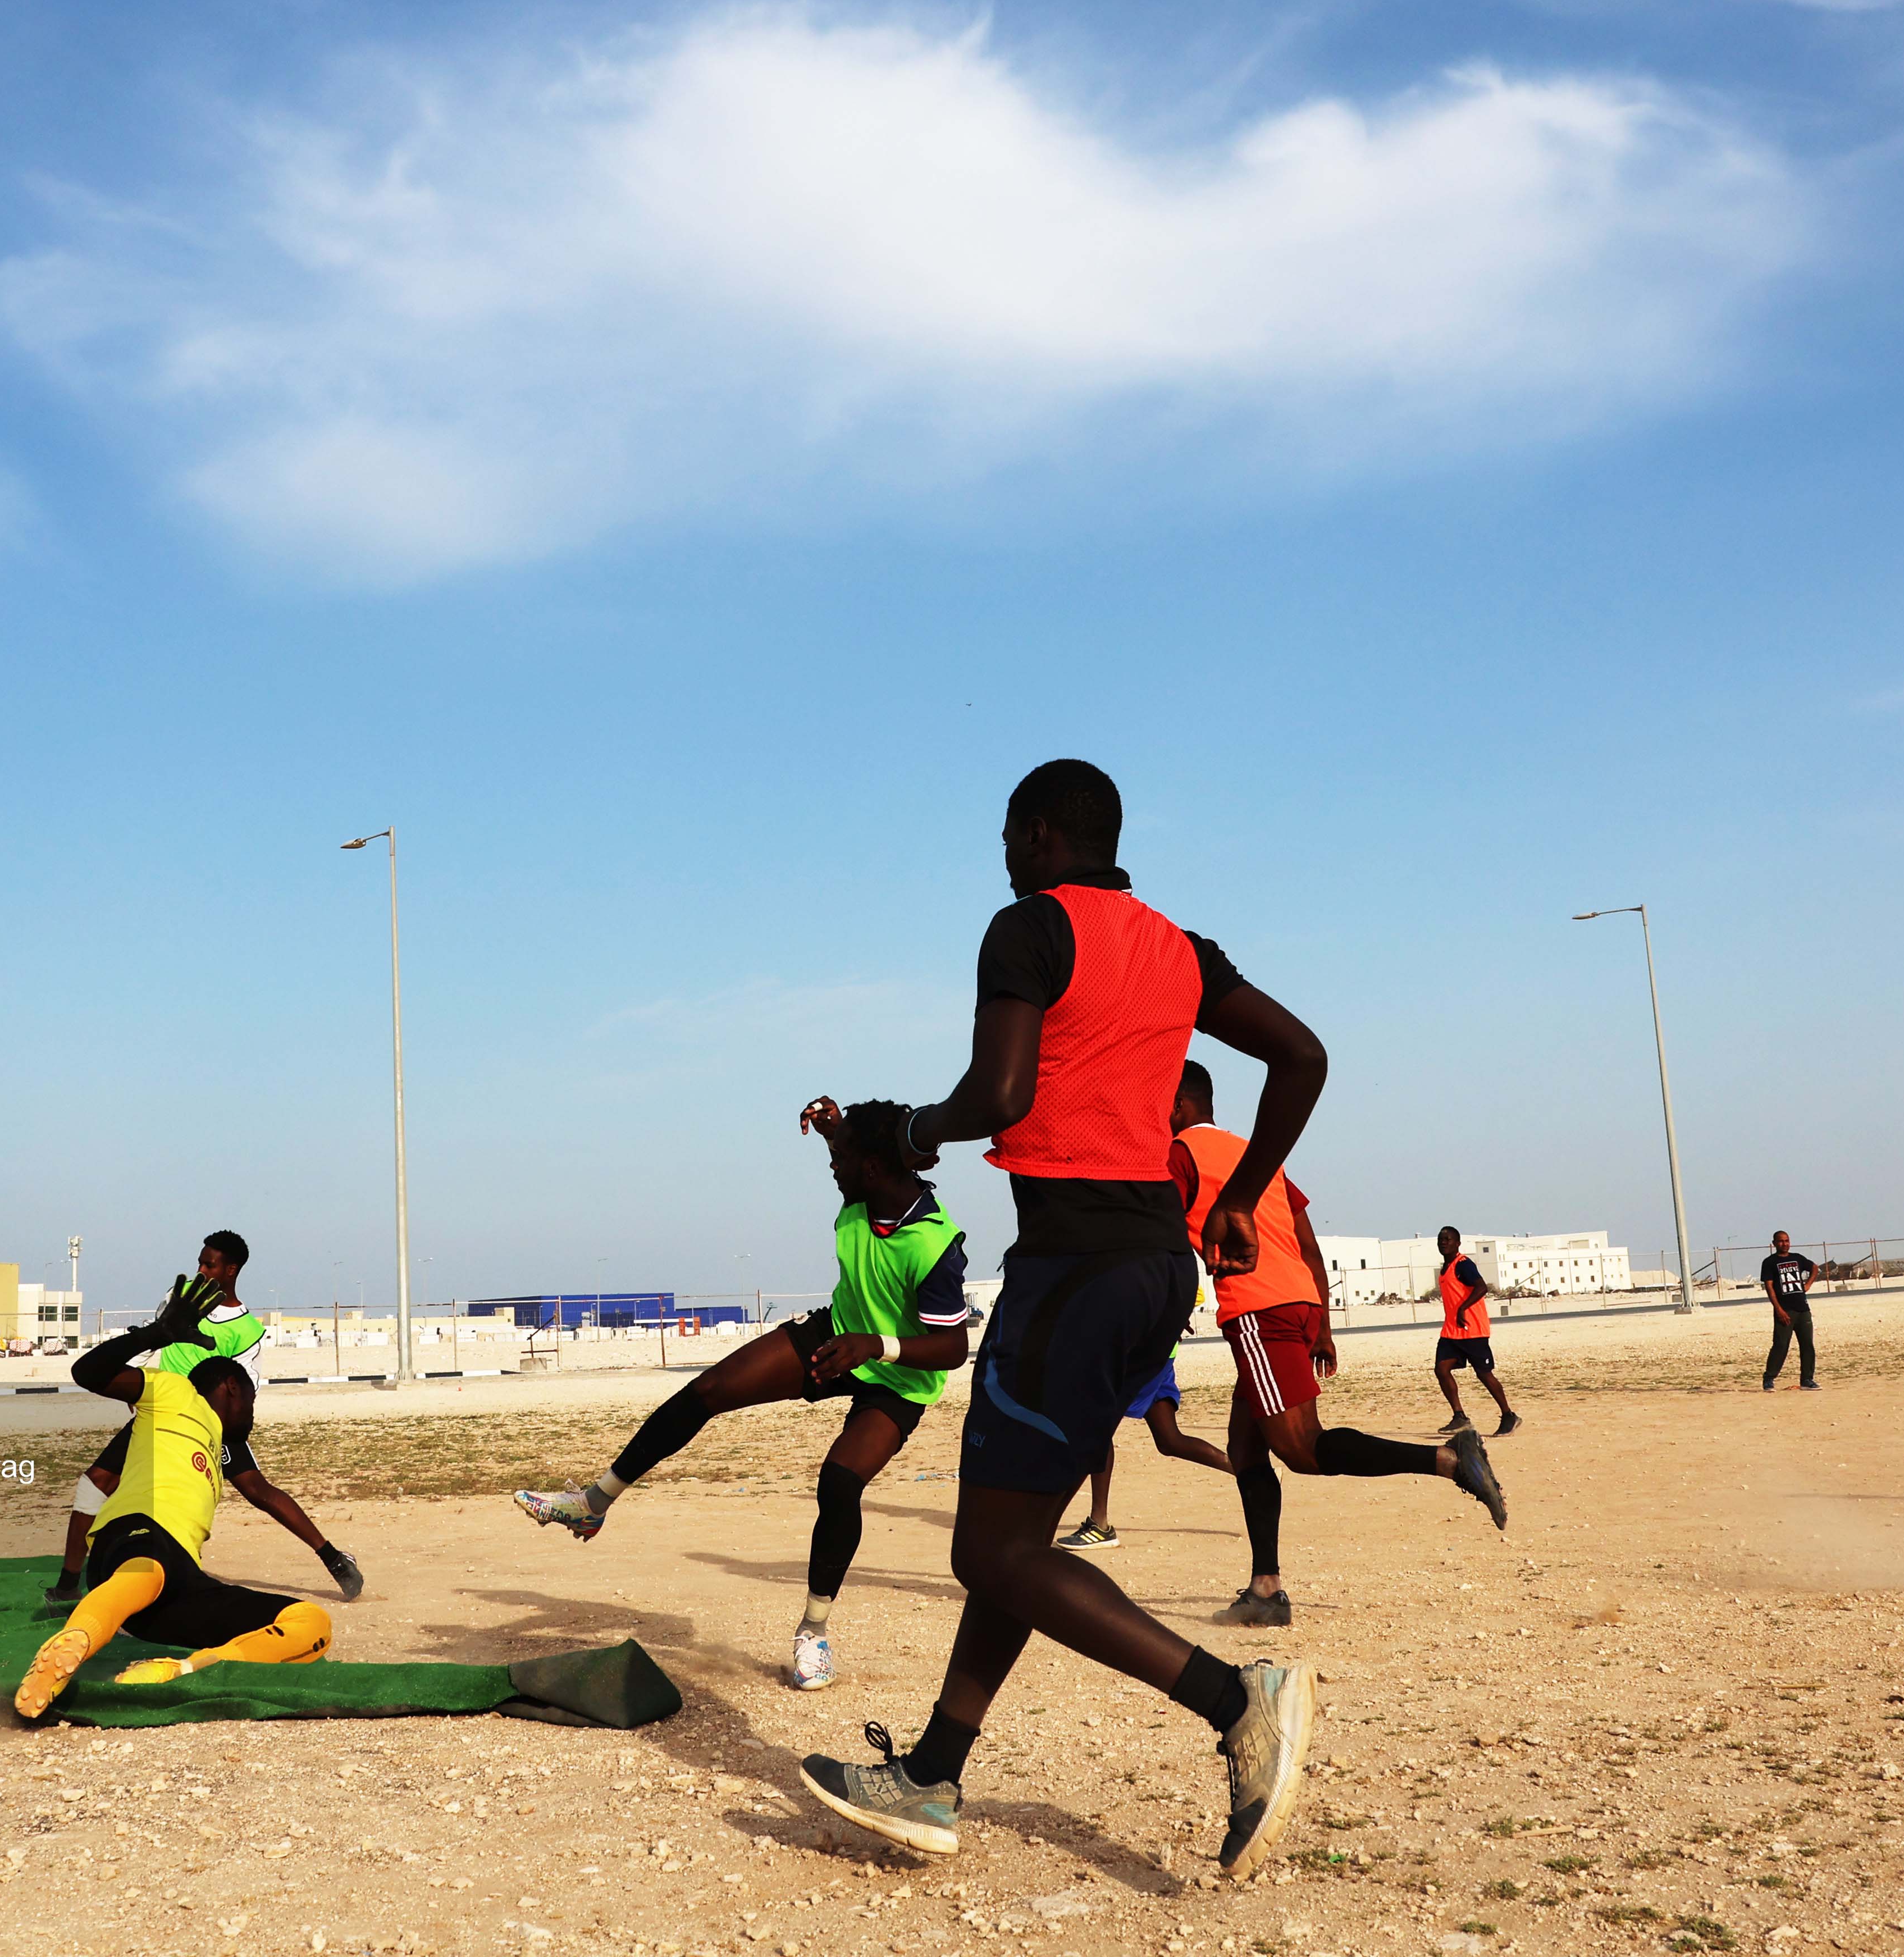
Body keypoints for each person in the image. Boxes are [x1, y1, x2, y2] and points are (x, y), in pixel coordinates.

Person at [797, 760, 1322, 1881]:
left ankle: (1238, 1699)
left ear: (1041, 835)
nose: (1001, 851)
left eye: (1005, 833)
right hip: (1153, 1269)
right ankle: (934, 1772)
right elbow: (1302, 1055)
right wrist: (1238, 1193)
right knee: (1017, 1545)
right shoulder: (1182, 947)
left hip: (1071, 1270)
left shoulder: (1029, 927)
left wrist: (908, 1124)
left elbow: (1002, 1094)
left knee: (989, 1547)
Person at [515, 1094, 973, 1690]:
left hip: (899, 1373)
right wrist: (835, 1128)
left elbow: (952, 1350)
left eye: (843, 1156)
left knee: (839, 1481)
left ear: (872, 1167)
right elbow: (854, 1157)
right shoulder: (865, 1191)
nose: (832, 1165)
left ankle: (814, 1632)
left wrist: (876, 1345)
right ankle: (595, 1501)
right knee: (706, 1390)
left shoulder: (935, 1244)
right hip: (836, 1337)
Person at [1193, 1059, 1506, 1635]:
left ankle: (1449, 1461)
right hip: (1298, 1302)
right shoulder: (1257, 1153)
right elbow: (1310, 1246)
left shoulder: (1181, 1155)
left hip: (1258, 1310)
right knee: (1246, 1446)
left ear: (1178, 1105)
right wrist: (1325, 1324)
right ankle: (1266, 1589)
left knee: (1302, 1450)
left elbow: (1155, 1234)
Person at [12, 1276, 335, 1717]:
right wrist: (156, 1335)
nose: (254, 1415)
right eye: (252, 1402)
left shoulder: (222, 1444)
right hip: (133, 1542)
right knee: (148, 1570)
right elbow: (86, 1373)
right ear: (231, 1387)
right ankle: (74, 1639)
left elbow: (261, 1490)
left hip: (175, 1589)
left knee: (311, 1624)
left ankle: (182, 1669)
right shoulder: (172, 1392)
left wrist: (330, 1554)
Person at [49, 1231, 360, 1605]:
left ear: (231, 1270)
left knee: (257, 1490)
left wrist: (219, 1429)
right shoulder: (181, 1299)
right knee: (96, 1482)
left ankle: (334, 1558)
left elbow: (246, 1388)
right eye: (200, 1260)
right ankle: (68, 1585)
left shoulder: (246, 1330)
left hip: (210, 1423)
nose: (200, 1269)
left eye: (209, 1264)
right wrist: (136, 1381)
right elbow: (153, 1339)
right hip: (162, 1409)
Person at [1053, 1328, 1234, 1552]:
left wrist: (1170, 1314)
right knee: (1169, 1440)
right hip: (1151, 1347)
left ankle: (1098, 1525)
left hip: (1144, 1350)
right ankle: (1249, 1471)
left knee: (1098, 1426)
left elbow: (1191, 1295)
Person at [1432, 1229, 1520, 1438]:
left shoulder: (1464, 1264)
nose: (1444, 1243)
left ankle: (1509, 1415)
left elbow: (1481, 1288)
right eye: (1440, 1240)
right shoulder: (1446, 1268)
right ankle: (1460, 1417)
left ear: (1458, 1243)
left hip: (1473, 1330)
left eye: (1448, 1240)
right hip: (1452, 1331)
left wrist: (1463, 1308)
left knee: (1483, 1373)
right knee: (1441, 1369)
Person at [1758, 1231, 1820, 1391]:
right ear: (1774, 1244)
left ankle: (1807, 1379)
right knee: (1780, 1345)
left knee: (1807, 1345)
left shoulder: (1797, 1258)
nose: (1784, 1244)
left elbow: (1814, 1267)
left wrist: (1808, 1285)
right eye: (1780, 1242)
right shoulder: (1769, 1262)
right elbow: (1770, 1288)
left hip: (1803, 1309)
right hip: (1784, 1311)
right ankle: (1769, 1379)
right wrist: (1778, 1309)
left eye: (1787, 1241)